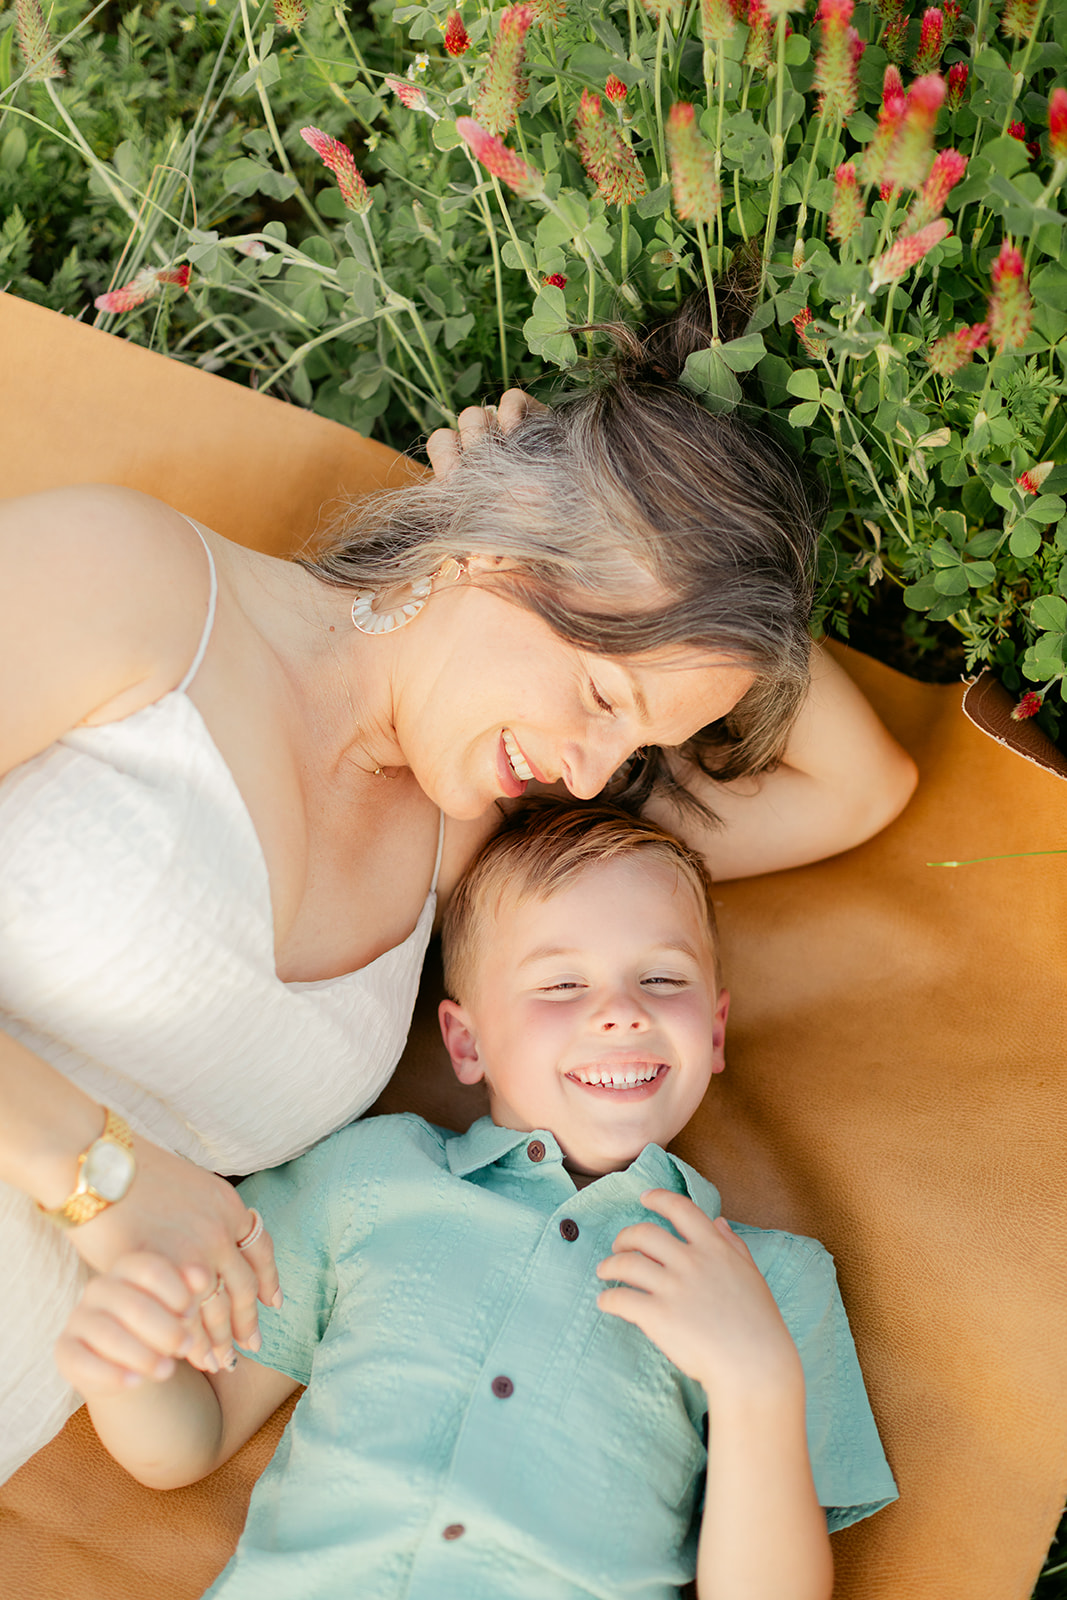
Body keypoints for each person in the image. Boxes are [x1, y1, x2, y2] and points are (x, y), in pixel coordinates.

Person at [0, 301, 917, 1480]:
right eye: (597, 694)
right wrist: (100, 1174)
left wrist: (730, 596)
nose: (592, 773)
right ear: (500, 541)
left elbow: (858, 786)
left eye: (636, 749)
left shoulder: (486, 852)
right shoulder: (135, 584)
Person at [57, 801, 897, 1600]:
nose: (619, 1013)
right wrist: (125, 1366)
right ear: (465, 1041)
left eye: (660, 976)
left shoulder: (771, 1283)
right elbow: (188, 1440)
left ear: (713, 1033)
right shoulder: (369, 1179)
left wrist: (755, 1382)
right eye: (561, 986)